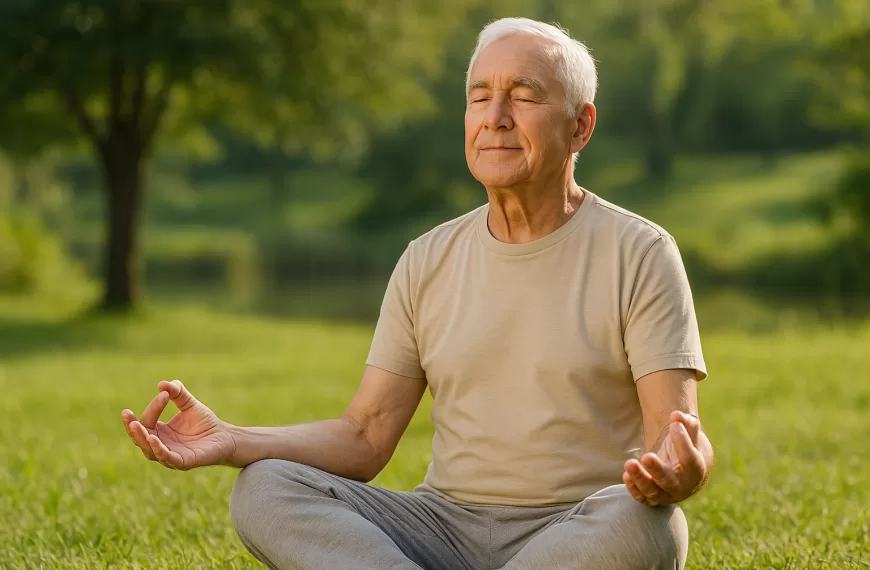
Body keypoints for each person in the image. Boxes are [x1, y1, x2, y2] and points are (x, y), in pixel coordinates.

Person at [121, 17, 714, 570]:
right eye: (479, 97)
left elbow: (677, 437)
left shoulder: (641, 252)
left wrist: (680, 472)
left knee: (649, 523)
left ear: (580, 126)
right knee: (265, 485)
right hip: (441, 527)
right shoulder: (427, 258)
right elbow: (365, 436)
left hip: (576, 528)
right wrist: (232, 439)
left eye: (524, 96)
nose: (496, 117)